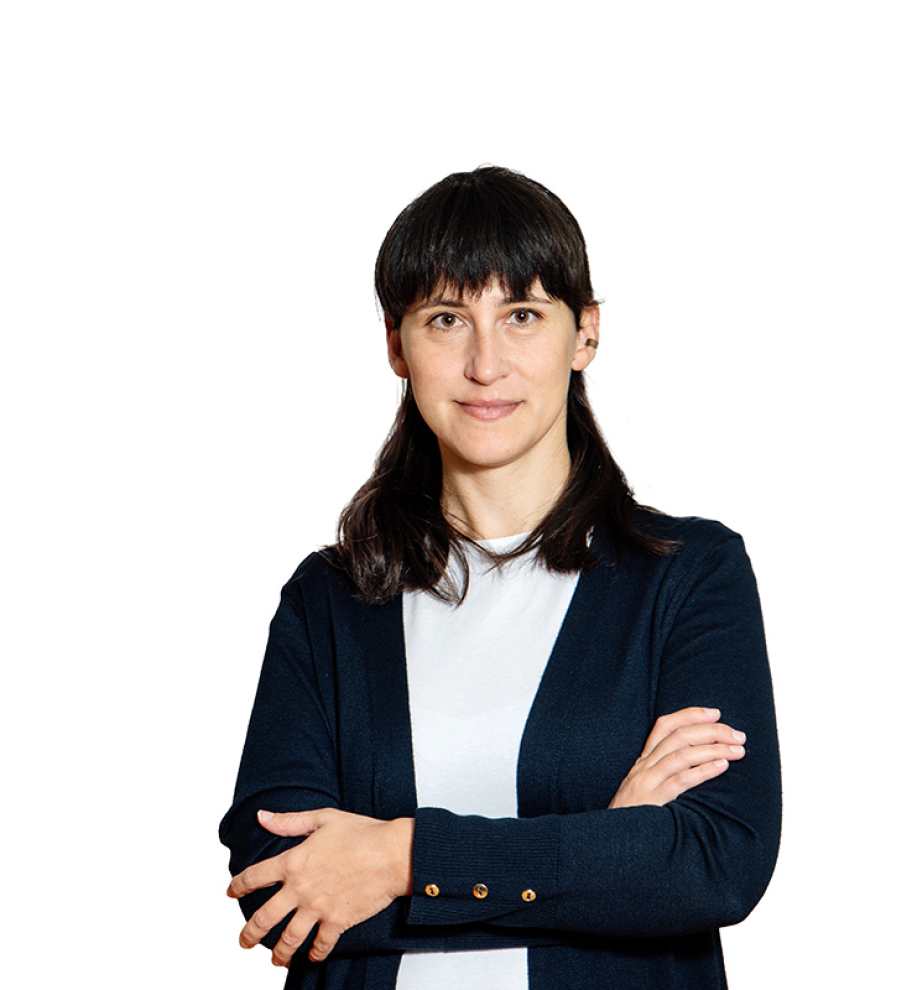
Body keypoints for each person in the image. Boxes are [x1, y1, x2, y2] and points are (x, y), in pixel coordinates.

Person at [219, 165, 781, 990]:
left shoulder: (687, 577)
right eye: (446, 319)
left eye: (522, 315)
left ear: (584, 334)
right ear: (396, 345)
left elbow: (711, 864)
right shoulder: (330, 600)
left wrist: (401, 857)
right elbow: (282, 888)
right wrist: (600, 846)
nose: (486, 364)